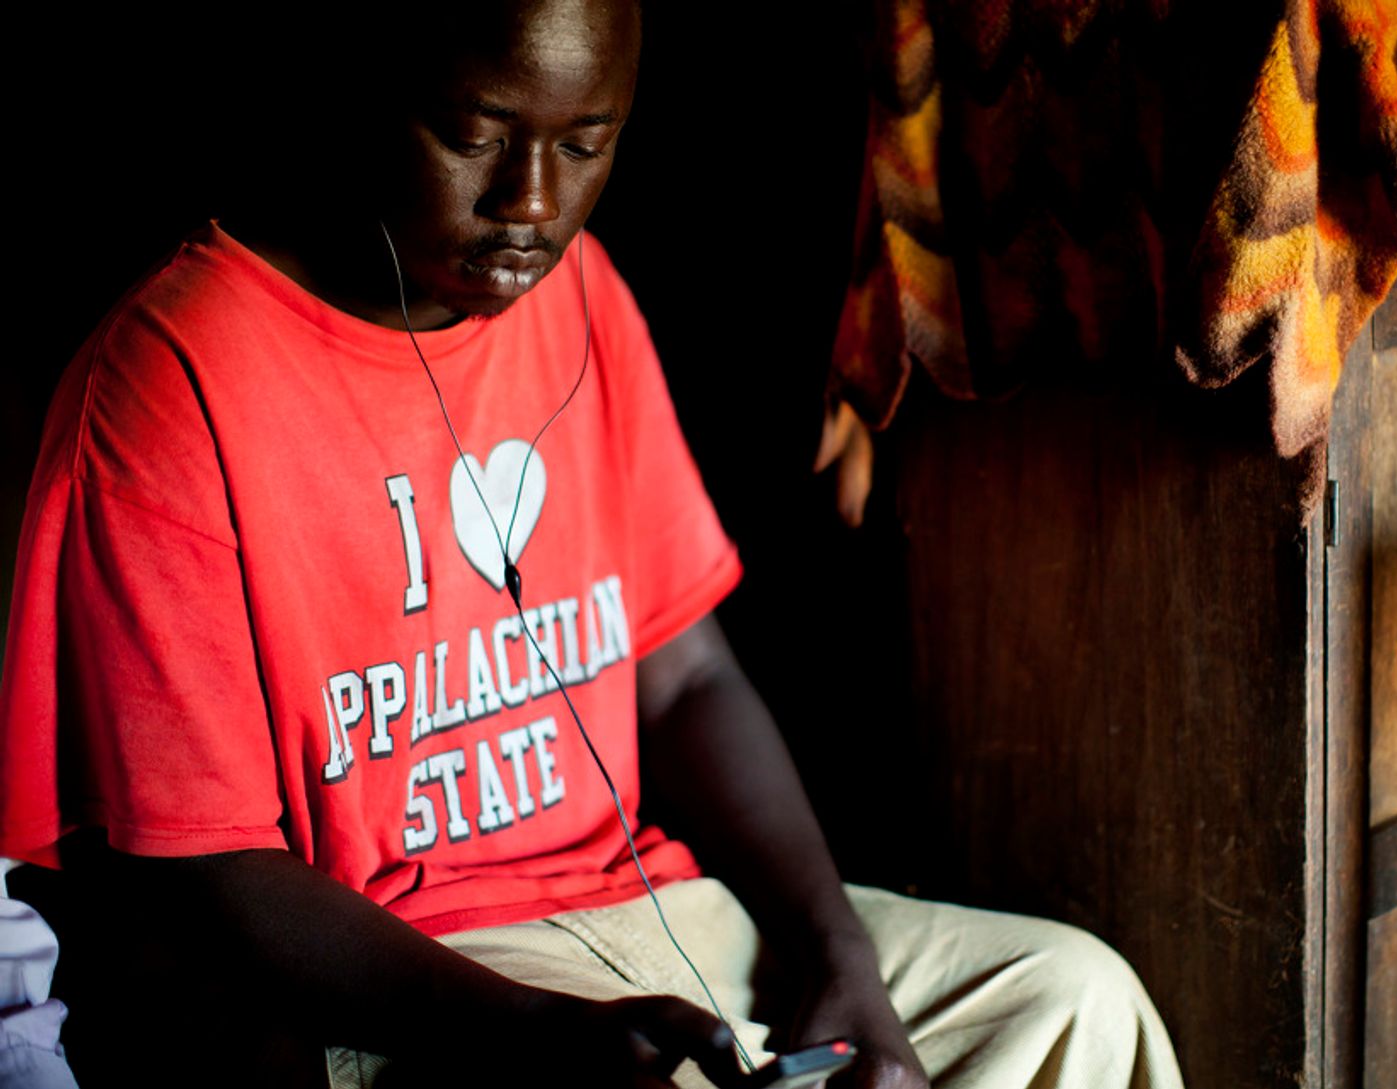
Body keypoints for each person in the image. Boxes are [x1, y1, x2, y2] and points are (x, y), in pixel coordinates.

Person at [0, 3, 1183, 1087]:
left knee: (1073, 999)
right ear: (363, 76)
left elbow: (687, 676)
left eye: (585, 144)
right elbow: (199, 872)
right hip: (411, 986)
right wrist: (525, 1027)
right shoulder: (173, 382)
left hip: (659, 924)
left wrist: (842, 957)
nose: (529, 202)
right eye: (475, 133)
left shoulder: (576, 294)